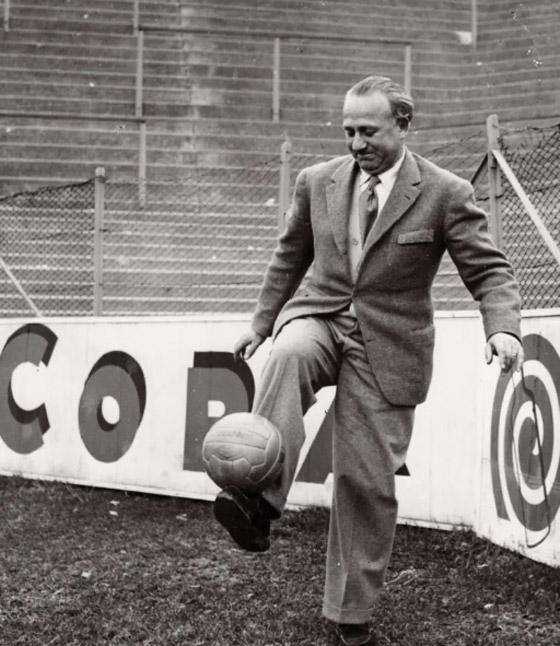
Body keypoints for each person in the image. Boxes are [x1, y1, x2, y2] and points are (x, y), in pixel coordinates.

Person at [213, 75, 524, 646]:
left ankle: (349, 621)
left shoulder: (445, 192)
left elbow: (490, 271)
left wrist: (502, 329)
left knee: (365, 483)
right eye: (348, 131)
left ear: (403, 124)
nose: (356, 143)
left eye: (369, 131)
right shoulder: (316, 182)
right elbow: (289, 256)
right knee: (288, 354)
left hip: (390, 345)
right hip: (322, 315)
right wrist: (261, 323)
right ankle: (257, 503)